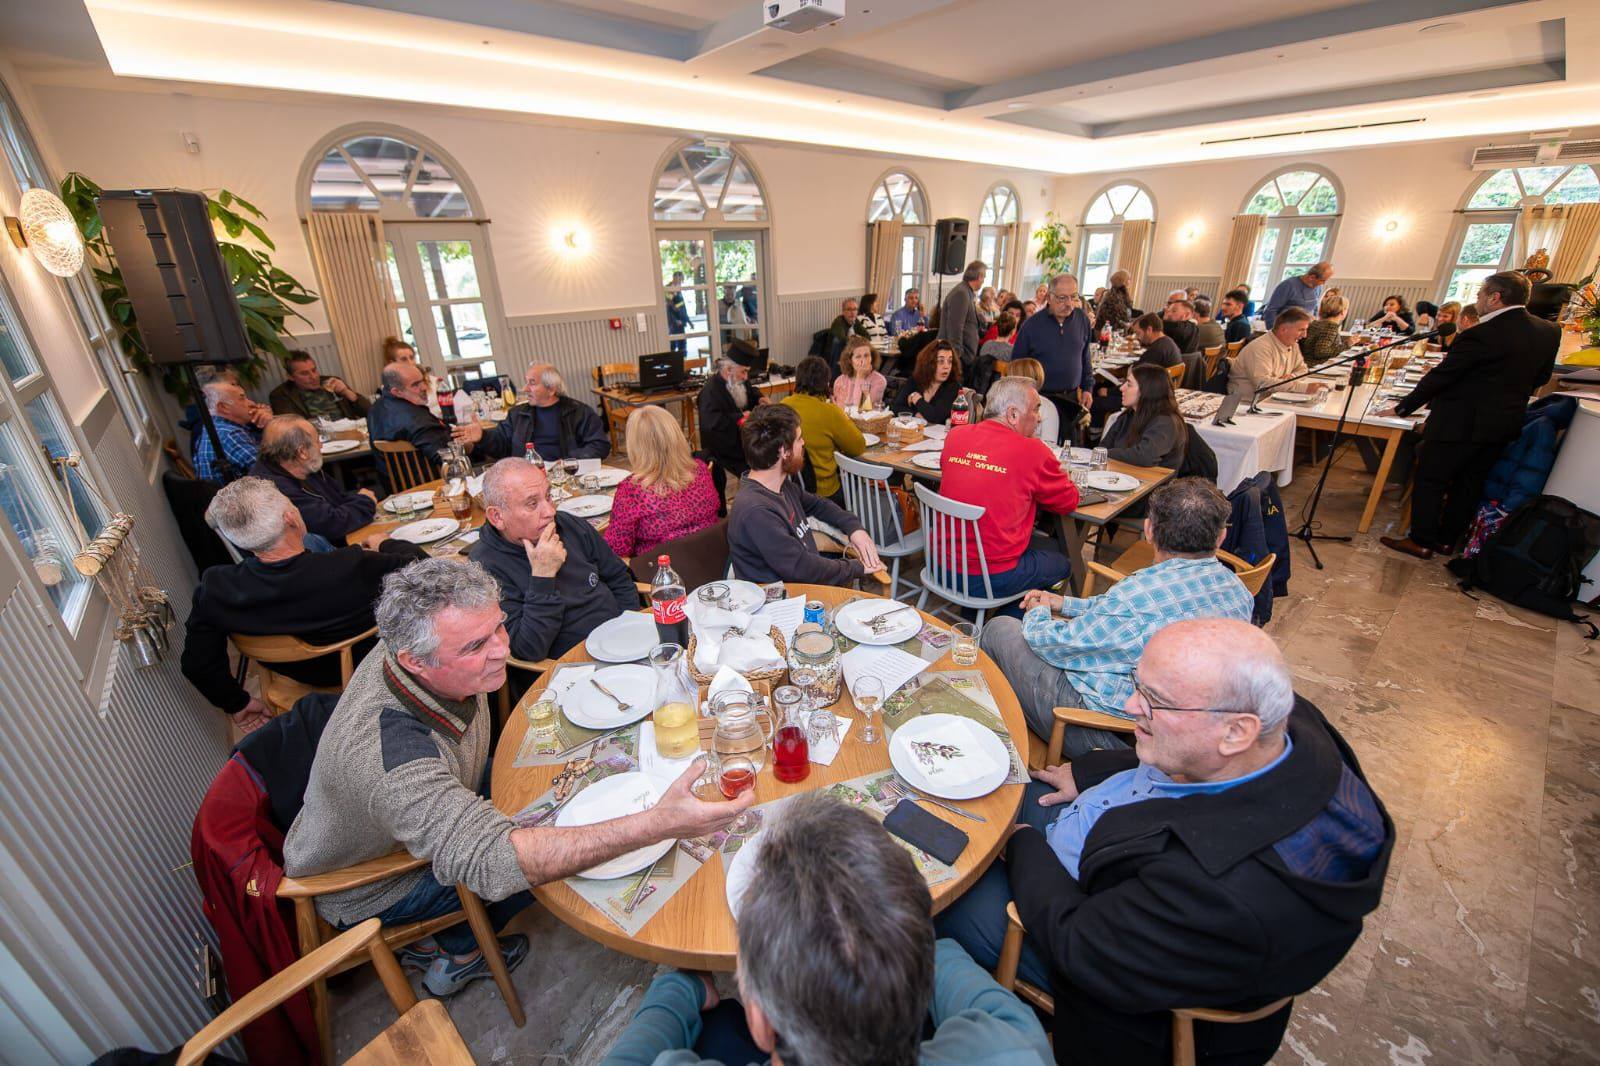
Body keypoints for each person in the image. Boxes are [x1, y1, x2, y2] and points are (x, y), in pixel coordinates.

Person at [283, 557, 753, 998]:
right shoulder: (391, 756)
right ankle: (457, 950)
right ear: (414, 661)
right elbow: (494, 862)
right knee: (564, 870)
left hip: (440, 798)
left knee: (582, 785)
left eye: (499, 626)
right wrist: (658, 823)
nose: (502, 650)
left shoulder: (425, 650)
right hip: (375, 884)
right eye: (476, 646)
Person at [939, 618, 1393, 1063]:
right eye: (1139, 684)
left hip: (1086, 934)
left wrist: (1021, 843)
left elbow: (1079, 943)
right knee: (978, 783)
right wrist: (1087, 772)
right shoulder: (1283, 727)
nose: (1131, 706)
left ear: (1237, 731)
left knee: (940, 888)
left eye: (1155, 701)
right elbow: (1179, 756)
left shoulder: (1219, 889)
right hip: (1105, 845)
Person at [604, 794, 1053, 1066]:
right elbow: (998, 1011)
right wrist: (905, 936)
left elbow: (633, 1055)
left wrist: (679, 988)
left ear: (760, 1022)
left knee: (717, 1025)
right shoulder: (1013, 1051)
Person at [976, 477, 1251, 743]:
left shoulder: (1138, 596)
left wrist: (1037, 612)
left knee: (1001, 628)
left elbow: (1055, 645)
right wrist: (1065, 604)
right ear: (1221, 537)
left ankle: (992, 732)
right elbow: (1117, 615)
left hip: (1108, 729)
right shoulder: (1239, 590)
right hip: (1188, 731)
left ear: (1149, 530)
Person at [181, 477, 424, 730]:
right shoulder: (352, 566)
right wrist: (384, 542)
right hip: (371, 670)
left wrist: (238, 703)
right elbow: (424, 568)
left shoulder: (217, 588)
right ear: (291, 518)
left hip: (297, 677)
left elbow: (197, 663)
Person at [1380, 271, 1560, 560]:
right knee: (1471, 484)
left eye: (1479, 295)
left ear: (1495, 297)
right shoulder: (1548, 331)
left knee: (1432, 479)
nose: (1477, 301)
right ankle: (1446, 541)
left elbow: (1443, 376)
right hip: (1503, 423)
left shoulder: (1480, 333)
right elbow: (1542, 377)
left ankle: (1421, 540)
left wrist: (1402, 407)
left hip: (1458, 421)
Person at [469, 459, 639, 662]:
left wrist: (628, 624)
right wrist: (543, 576)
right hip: (571, 665)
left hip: (622, 638)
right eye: (532, 504)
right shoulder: (484, 567)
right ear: (497, 516)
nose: (550, 511)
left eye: (548, 496)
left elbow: (619, 578)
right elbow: (528, 649)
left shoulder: (568, 524)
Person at [939, 376, 1078, 604]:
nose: (1040, 418)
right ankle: (1008, 616)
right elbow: (1069, 500)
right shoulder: (1033, 451)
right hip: (989, 576)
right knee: (1063, 563)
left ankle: (979, 612)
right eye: (1036, 409)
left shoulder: (956, 435)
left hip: (941, 564)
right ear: (1013, 414)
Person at [726, 404, 884, 586]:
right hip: (782, 599)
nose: (803, 443)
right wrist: (856, 567)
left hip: (801, 587)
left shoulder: (779, 486)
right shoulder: (757, 511)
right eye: (799, 439)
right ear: (784, 452)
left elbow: (818, 504)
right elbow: (802, 568)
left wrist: (854, 528)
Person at [603, 406, 720, 560]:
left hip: (663, 571)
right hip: (711, 559)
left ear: (636, 446)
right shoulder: (700, 469)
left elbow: (617, 548)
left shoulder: (632, 490)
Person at [249, 416, 378, 544]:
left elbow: (339, 499)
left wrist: (358, 501)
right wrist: (365, 501)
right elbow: (332, 524)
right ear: (302, 452)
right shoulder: (277, 491)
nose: (321, 446)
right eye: (318, 441)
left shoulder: (301, 467)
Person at [367, 361, 485, 479]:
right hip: (435, 483)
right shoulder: (419, 421)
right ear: (396, 391)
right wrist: (469, 445)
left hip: (395, 485)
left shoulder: (374, 409)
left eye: (423, 380)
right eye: (415, 385)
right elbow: (451, 463)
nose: (424, 387)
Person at [1012, 272, 1093, 430]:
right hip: (1040, 400)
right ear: (1049, 298)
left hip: (1071, 399)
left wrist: (1087, 388)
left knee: (1069, 443)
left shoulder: (1082, 320)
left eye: (1073, 297)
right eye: (1062, 298)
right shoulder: (1032, 326)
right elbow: (1016, 366)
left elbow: (1085, 357)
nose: (1069, 303)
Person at [481, 363, 609, 462]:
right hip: (527, 478)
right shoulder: (517, 414)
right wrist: (482, 436)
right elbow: (501, 445)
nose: (525, 389)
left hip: (566, 476)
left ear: (551, 389)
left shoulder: (579, 413)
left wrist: (568, 461)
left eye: (532, 383)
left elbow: (600, 446)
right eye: (526, 382)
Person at [782, 355, 866, 502]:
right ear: (826, 383)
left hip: (791, 488)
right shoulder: (829, 412)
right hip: (825, 493)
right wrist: (840, 412)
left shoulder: (783, 405)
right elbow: (858, 447)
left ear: (798, 379)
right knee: (856, 479)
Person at [1101, 364, 1188, 469]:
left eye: (1129, 384)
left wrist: (1106, 453)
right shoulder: (1128, 416)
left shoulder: (1166, 422)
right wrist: (1104, 453)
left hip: (1151, 478)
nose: (1121, 388)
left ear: (1146, 390)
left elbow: (1144, 456)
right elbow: (1103, 447)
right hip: (1121, 473)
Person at [698, 340, 764, 477]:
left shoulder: (737, 379)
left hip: (742, 440)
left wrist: (759, 398)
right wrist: (739, 418)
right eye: (744, 372)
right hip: (723, 449)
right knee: (760, 465)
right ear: (728, 370)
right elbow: (711, 425)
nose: (746, 377)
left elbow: (750, 391)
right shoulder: (710, 392)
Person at [193, 380, 271, 482]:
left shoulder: (214, 428)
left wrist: (261, 427)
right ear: (224, 407)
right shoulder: (230, 434)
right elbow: (269, 472)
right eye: (242, 398)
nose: (252, 403)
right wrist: (272, 425)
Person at [1229, 306, 1310, 403]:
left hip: (1271, 400)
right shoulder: (1260, 347)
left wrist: (1292, 376)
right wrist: (1304, 388)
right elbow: (1262, 383)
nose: (1305, 335)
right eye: (1301, 330)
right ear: (1283, 329)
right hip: (1247, 403)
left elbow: (1303, 370)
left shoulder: (1293, 345)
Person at [269, 350, 370, 421]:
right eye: (304, 373)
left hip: (350, 433)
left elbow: (369, 412)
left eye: (314, 370)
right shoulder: (281, 395)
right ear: (290, 377)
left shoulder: (332, 382)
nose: (313, 377)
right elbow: (292, 427)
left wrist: (347, 392)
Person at [891, 341, 965, 425]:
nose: (946, 366)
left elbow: (935, 417)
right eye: (941, 361)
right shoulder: (916, 380)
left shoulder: (954, 387)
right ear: (928, 363)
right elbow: (896, 407)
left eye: (950, 361)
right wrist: (916, 415)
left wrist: (917, 399)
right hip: (915, 431)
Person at [938, 259, 987, 370]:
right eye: (984, 277)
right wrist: (958, 355)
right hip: (958, 357)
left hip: (964, 355)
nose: (983, 281)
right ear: (979, 276)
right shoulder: (961, 293)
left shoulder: (966, 292)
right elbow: (955, 327)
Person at [1003, 357, 1060, 445]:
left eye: (1007, 376)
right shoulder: (1002, 402)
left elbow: (1050, 445)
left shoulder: (1047, 407)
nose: (1003, 378)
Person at [1262, 261, 1333, 327]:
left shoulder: (1318, 287)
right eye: (1322, 280)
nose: (1323, 283)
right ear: (1312, 277)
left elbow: (1315, 308)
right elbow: (1271, 310)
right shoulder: (1288, 285)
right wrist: (1273, 330)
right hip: (1286, 328)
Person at [831, 335, 888, 410]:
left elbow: (862, 409)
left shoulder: (879, 381)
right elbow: (838, 409)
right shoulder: (840, 381)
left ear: (872, 357)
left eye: (866, 355)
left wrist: (860, 377)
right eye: (858, 357)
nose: (863, 361)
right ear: (850, 360)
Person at [1301, 293, 1350, 366]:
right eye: (1346, 309)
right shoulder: (1330, 326)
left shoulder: (1317, 323)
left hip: (1306, 363)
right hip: (1316, 366)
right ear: (1342, 311)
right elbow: (1321, 352)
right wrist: (1347, 344)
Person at [666, 270, 691, 353]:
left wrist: (688, 321)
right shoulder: (669, 289)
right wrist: (675, 320)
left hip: (681, 321)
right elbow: (669, 306)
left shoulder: (678, 290)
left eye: (682, 280)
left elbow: (682, 307)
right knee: (673, 345)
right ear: (675, 278)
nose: (681, 282)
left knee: (682, 344)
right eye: (680, 279)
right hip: (673, 323)